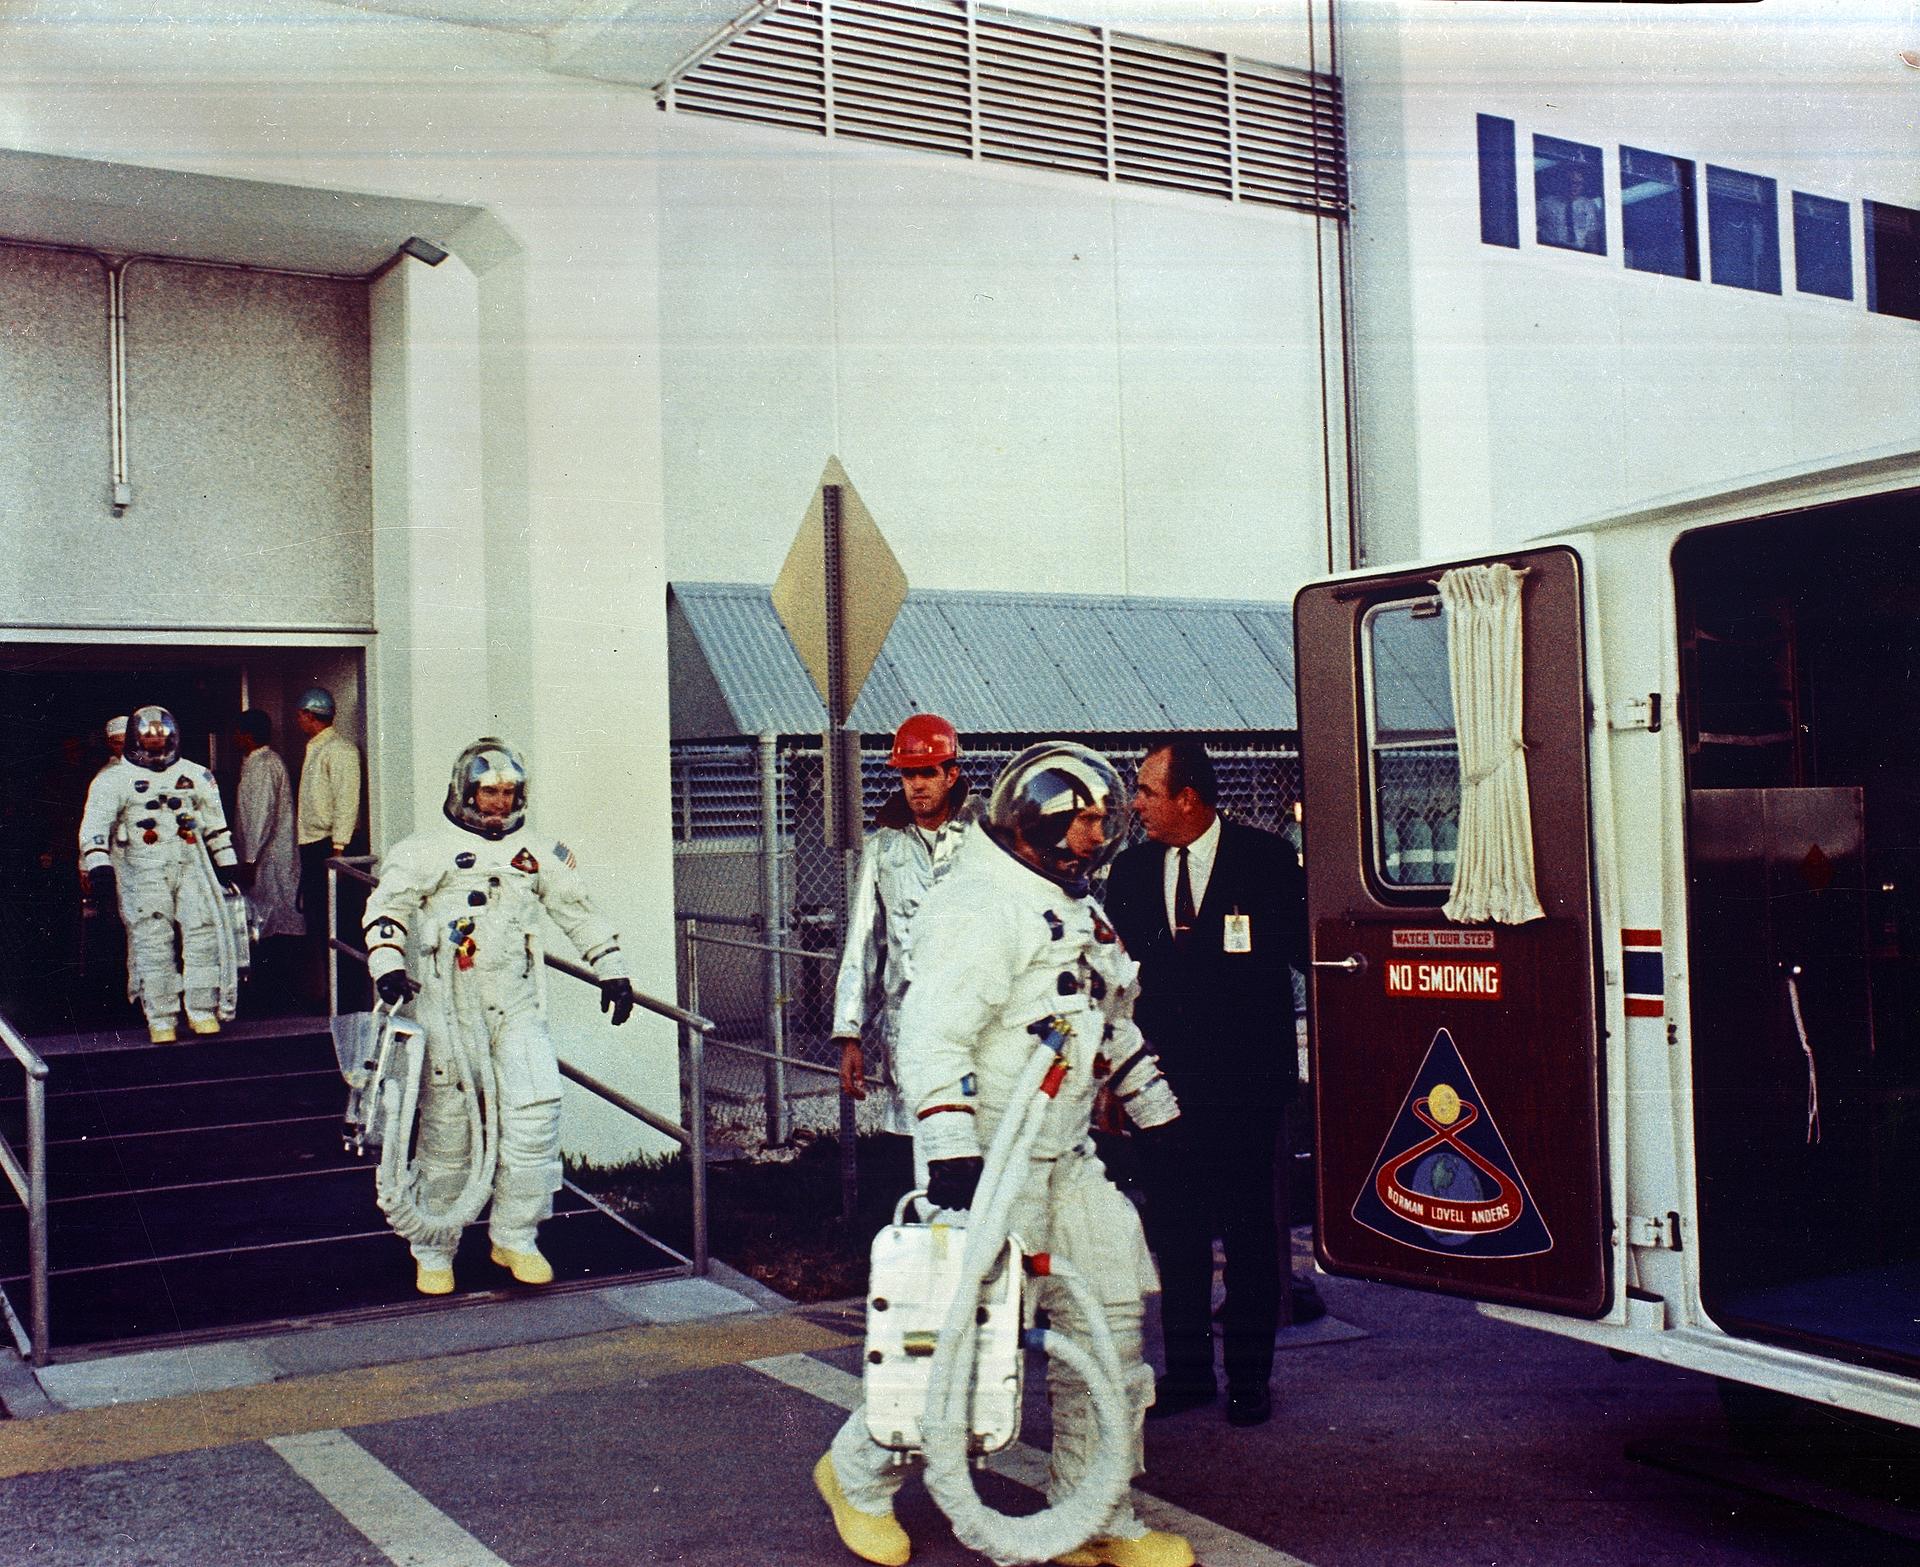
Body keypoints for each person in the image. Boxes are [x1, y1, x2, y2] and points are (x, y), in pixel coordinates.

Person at [814, 742, 1194, 1567]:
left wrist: (1155, 1112)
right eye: (1085, 819)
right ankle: (856, 1476)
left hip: (1066, 1155)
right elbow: (933, 1032)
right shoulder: (979, 902)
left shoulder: (1074, 902)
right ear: (1038, 821)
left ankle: (1094, 1509)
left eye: (1104, 819)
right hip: (987, 1163)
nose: (1099, 834)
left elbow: (1103, 1012)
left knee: (1111, 1331)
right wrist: (950, 1148)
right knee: (962, 1341)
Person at [360, 738, 637, 1297]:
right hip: (447, 1008)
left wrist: (612, 967)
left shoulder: (539, 853)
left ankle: (516, 1235)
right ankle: (434, 1246)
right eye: (489, 791)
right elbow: (388, 910)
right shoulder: (423, 850)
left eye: (508, 792)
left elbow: (576, 910)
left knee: (536, 1115)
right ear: (466, 790)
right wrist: (387, 964)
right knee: (449, 1131)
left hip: (514, 1006)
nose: (498, 803)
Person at [1104, 740, 1311, 1429]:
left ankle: (1249, 1378)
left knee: (1251, 1235)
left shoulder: (1267, 861)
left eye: (1145, 791)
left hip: (1246, 1086)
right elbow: (1114, 984)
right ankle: (1188, 1371)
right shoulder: (1130, 873)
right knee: (1177, 1229)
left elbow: (1309, 959)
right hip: (1163, 1086)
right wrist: (1114, 1076)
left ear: (1187, 796)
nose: (1135, 804)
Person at [831, 713, 980, 1131]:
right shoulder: (882, 850)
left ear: (951, 775)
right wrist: (850, 1034)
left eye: (927, 773)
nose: (916, 785)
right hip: (908, 1029)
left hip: (974, 1027)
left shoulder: (984, 844)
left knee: (974, 1150)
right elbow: (862, 943)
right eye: (908, 774)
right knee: (913, 1148)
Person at [78, 705, 241, 1043]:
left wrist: (226, 861)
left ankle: (202, 1009)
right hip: (142, 867)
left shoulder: (196, 775)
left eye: (160, 737)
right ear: (136, 739)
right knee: (152, 939)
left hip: (190, 862)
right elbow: (95, 826)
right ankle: (162, 1016)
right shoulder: (113, 779)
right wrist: (99, 867)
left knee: (203, 933)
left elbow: (214, 819)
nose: (155, 744)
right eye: (148, 737)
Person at [294, 685, 364, 1004]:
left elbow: (346, 800)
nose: (298, 721)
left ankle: (345, 996)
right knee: (319, 922)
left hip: (331, 847)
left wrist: (340, 847)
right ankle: (326, 993)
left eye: (301, 715)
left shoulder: (340, 749)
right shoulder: (316, 749)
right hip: (312, 845)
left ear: (310, 716)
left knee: (339, 923)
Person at [231, 709, 303, 1004]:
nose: (234, 738)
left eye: (237, 733)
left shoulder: (264, 767)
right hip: (265, 858)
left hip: (269, 859)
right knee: (267, 922)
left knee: (272, 925)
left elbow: (261, 817)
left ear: (247, 736)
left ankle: (274, 997)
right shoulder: (256, 763)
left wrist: (249, 860)